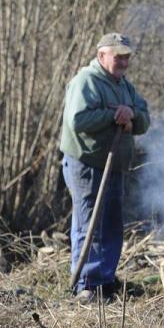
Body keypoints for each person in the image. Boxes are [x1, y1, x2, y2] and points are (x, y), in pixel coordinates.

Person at [59, 33, 151, 303]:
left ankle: (105, 281)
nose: (123, 61)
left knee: (111, 225)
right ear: (102, 56)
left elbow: (144, 119)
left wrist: (131, 114)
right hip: (87, 164)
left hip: (115, 167)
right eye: (118, 55)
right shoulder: (86, 81)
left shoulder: (125, 87)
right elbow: (78, 119)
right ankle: (86, 285)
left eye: (126, 56)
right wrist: (114, 115)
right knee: (90, 225)